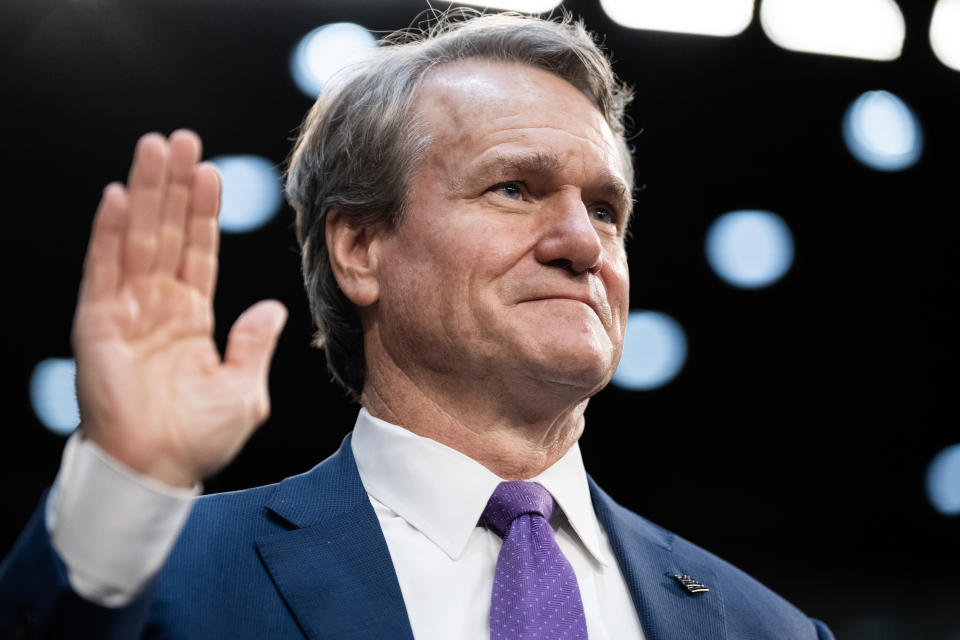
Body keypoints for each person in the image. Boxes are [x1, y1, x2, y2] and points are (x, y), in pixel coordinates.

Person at [0, 11, 833, 640]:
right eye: (514, 187)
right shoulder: (165, 578)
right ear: (361, 246)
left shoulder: (771, 628)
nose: (584, 242)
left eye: (607, 209)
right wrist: (124, 480)